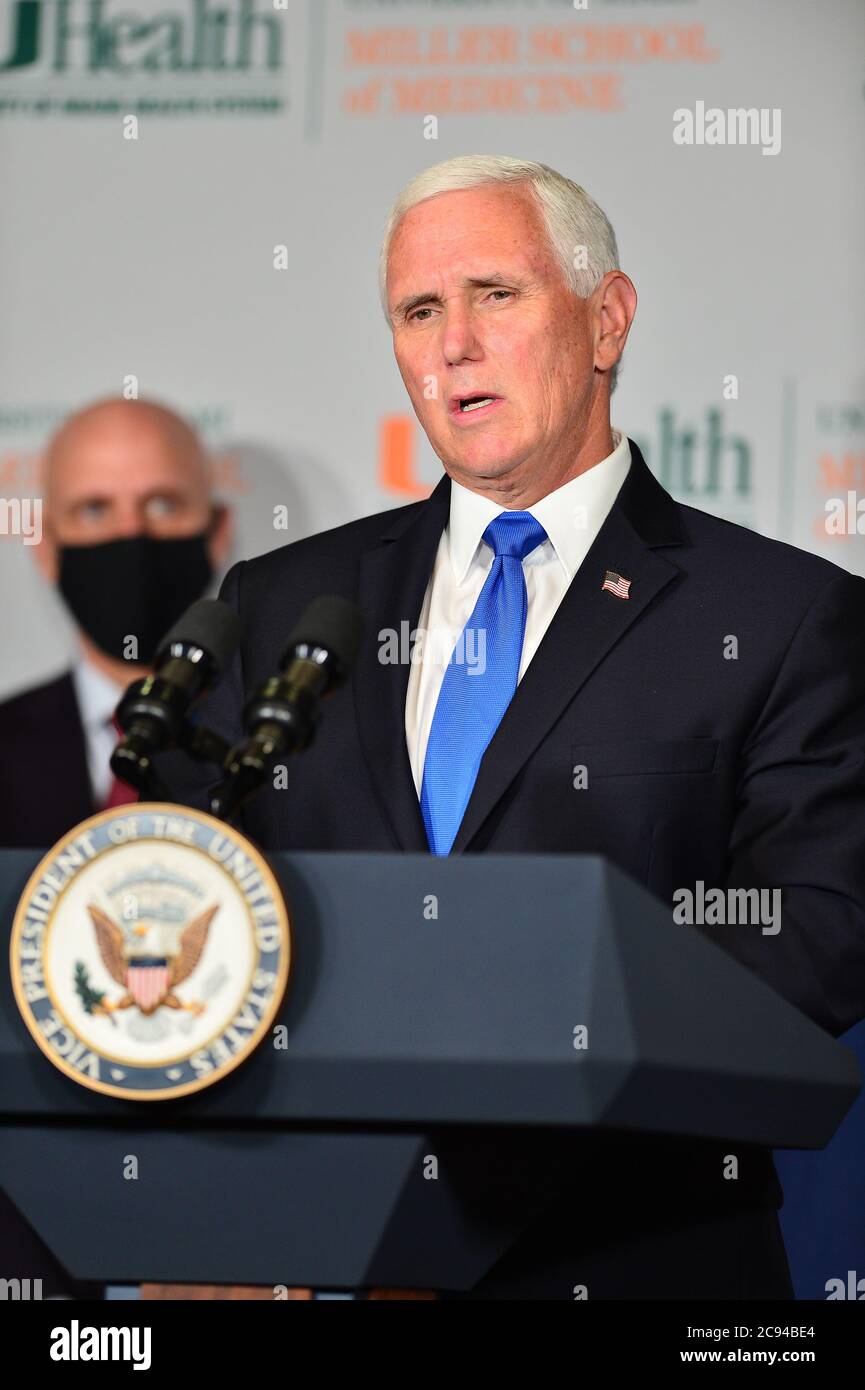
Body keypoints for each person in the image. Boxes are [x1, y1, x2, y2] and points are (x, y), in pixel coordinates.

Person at [163, 155, 865, 1299]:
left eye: (495, 295)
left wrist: (530, 1050)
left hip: (633, 1257)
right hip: (319, 1255)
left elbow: (815, 936)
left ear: (606, 319)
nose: (452, 344)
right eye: (419, 310)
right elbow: (200, 905)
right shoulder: (286, 605)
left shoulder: (776, 614)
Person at [0, 397, 233, 849]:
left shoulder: (281, 746)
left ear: (218, 532)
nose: (130, 532)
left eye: (163, 505)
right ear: (45, 548)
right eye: (94, 510)